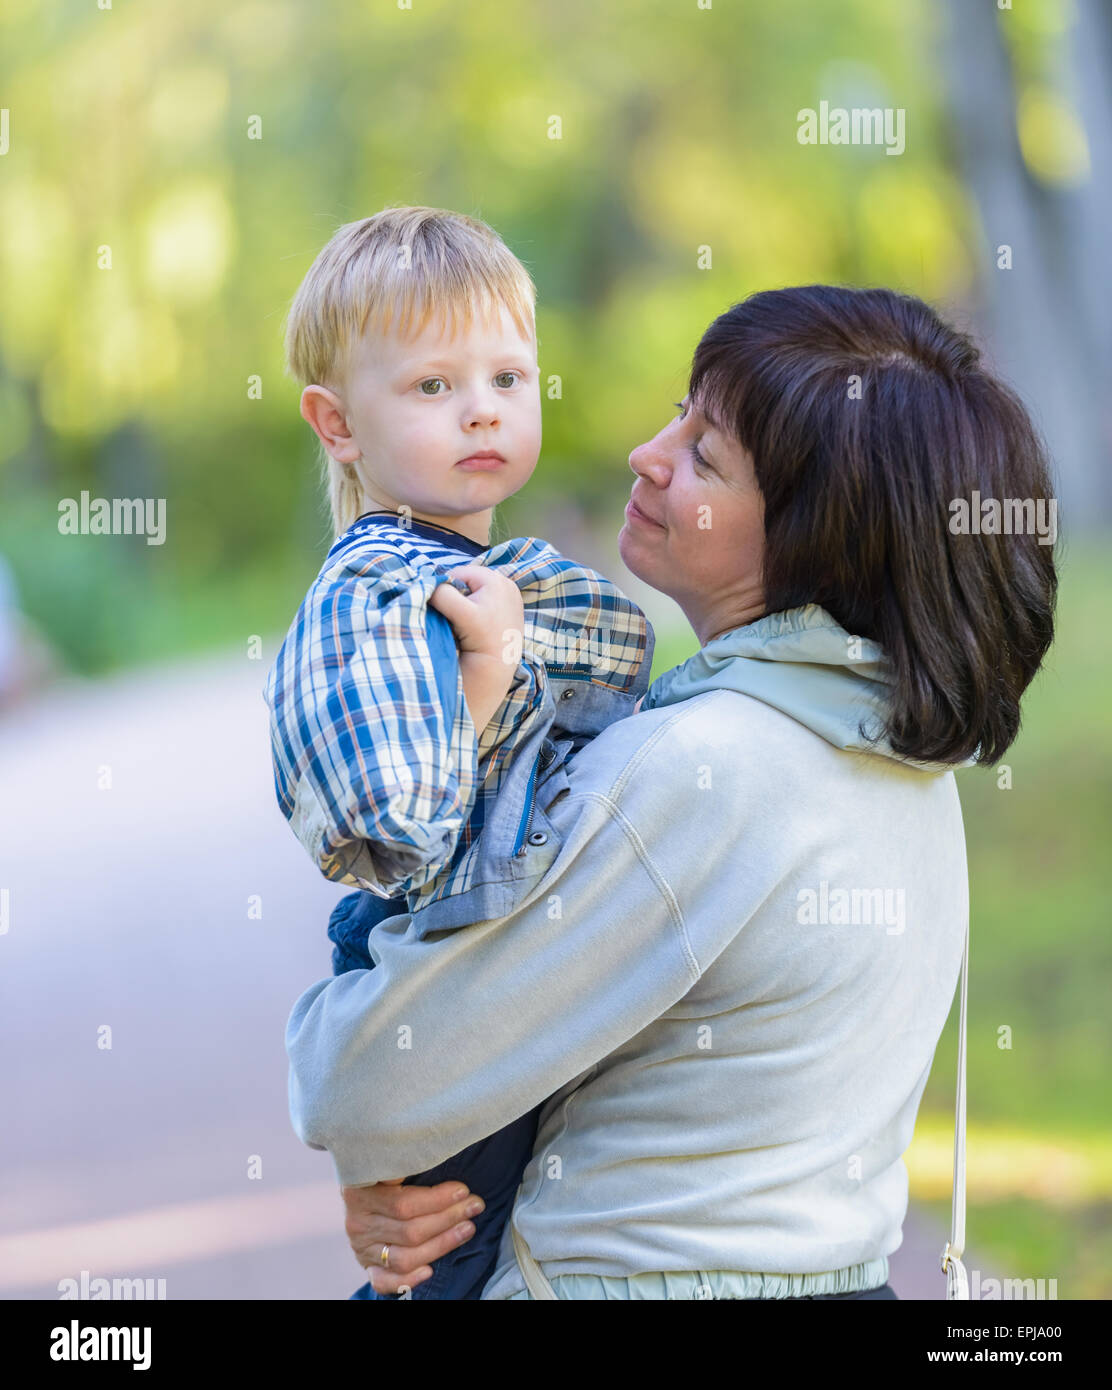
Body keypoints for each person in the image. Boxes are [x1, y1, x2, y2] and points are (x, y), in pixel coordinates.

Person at [286, 283, 1057, 1301]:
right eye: (679, 413)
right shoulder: (900, 757)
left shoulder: (704, 771)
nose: (650, 456)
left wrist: (384, 1148)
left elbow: (364, 1084)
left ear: (814, 538)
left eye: (705, 457)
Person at [264, 206, 654, 1299]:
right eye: (432, 387)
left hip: (495, 955)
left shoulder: (504, 573)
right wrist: (483, 685)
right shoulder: (371, 600)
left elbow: (621, 652)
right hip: (436, 971)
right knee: (443, 1258)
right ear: (336, 424)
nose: (480, 409)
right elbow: (387, 828)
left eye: (506, 378)